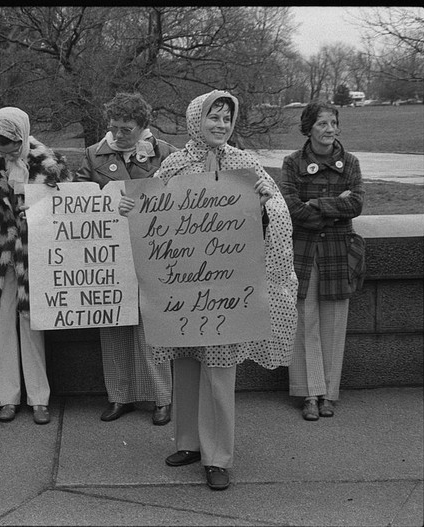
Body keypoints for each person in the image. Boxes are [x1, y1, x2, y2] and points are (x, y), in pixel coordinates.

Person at [121, 90, 297, 490]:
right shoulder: (175, 163)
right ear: (195, 120)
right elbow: (152, 212)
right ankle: (189, 443)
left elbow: (278, 217)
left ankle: (218, 456)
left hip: (226, 290)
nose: (221, 125)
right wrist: (131, 210)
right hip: (184, 287)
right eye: (213, 117)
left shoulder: (244, 163)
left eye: (226, 118)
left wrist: (266, 206)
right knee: (185, 364)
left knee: (219, 370)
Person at [75, 92, 177, 426]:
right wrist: (107, 205)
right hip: (110, 254)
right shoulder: (92, 155)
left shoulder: (164, 153)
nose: (119, 134)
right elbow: (76, 202)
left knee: (154, 326)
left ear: (142, 126)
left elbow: (183, 195)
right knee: (113, 324)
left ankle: (163, 397)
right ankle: (120, 396)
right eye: (114, 127)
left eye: (127, 129)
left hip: (155, 251)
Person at [0, 107, 71, 425]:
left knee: (33, 323)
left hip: (35, 253)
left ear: (23, 136)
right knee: (0, 325)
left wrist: (41, 203)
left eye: (11, 144)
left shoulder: (48, 160)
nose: (6, 150)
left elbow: (71, 204)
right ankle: (6, 397)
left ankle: (39, 398)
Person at [280, 101, 365, 421]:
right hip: (302, 252)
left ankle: (328, 393)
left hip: (338, 254)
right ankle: (308, 394)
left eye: (334, 123)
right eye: (323, 124)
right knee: (304, 321)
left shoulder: (351, 163)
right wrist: (332, 206)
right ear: (309, 128)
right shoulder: (291, 163)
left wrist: (313, 204)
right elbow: (291, 208)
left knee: (333, 323)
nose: (330, 130)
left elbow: (356, 204)